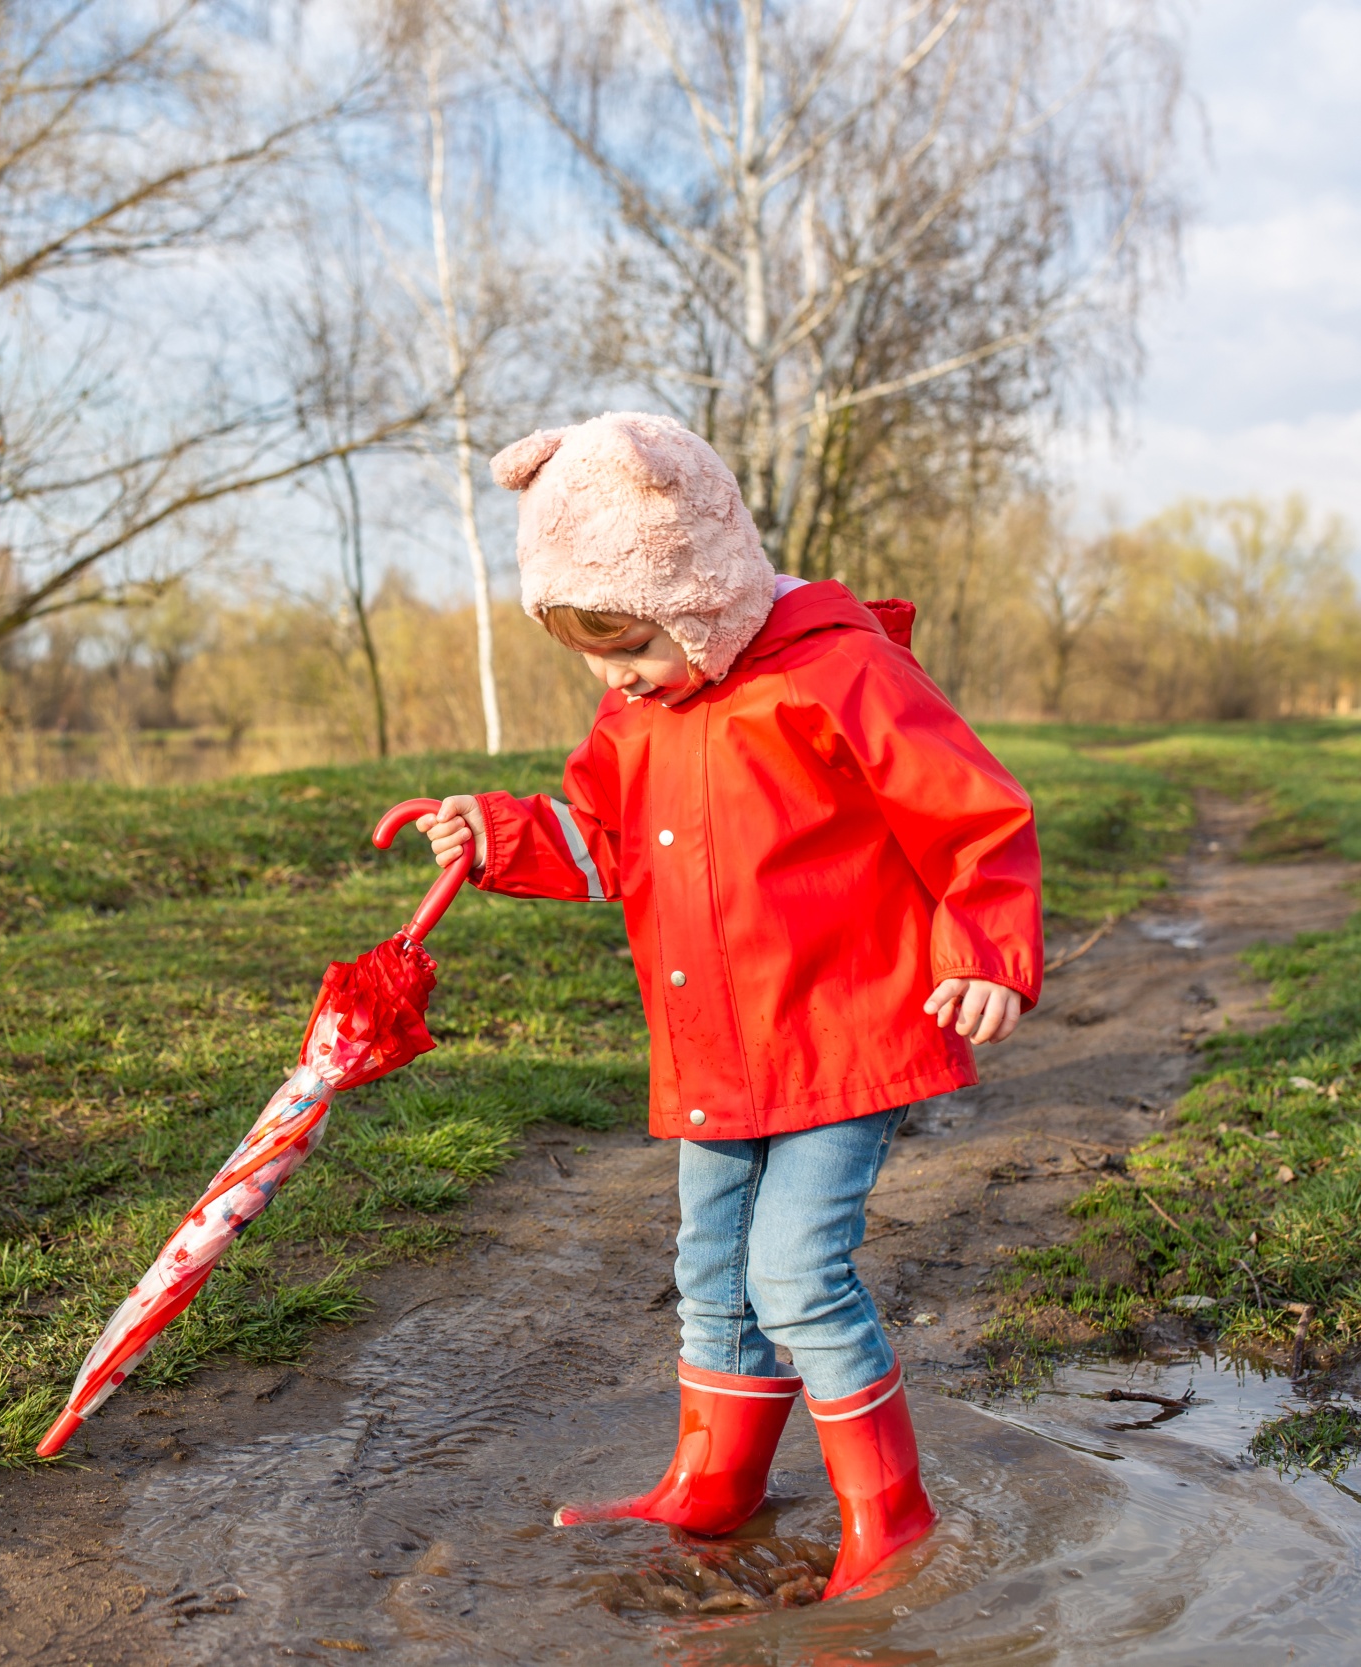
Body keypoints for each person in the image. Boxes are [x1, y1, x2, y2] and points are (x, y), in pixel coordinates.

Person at [416, 412, 1042, 1601]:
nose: (611, 675)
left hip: (843, 1029)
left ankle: (890, 1514)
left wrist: (988, 952)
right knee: (712, 1263)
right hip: (715, 1042)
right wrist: (497, 831)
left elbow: (974, 815)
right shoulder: (638, 712)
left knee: (797, 1270)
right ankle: (717, 1478)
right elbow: (601, 838)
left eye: (629, 642)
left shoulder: (834, 668)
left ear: (698, 594)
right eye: (589, 652)